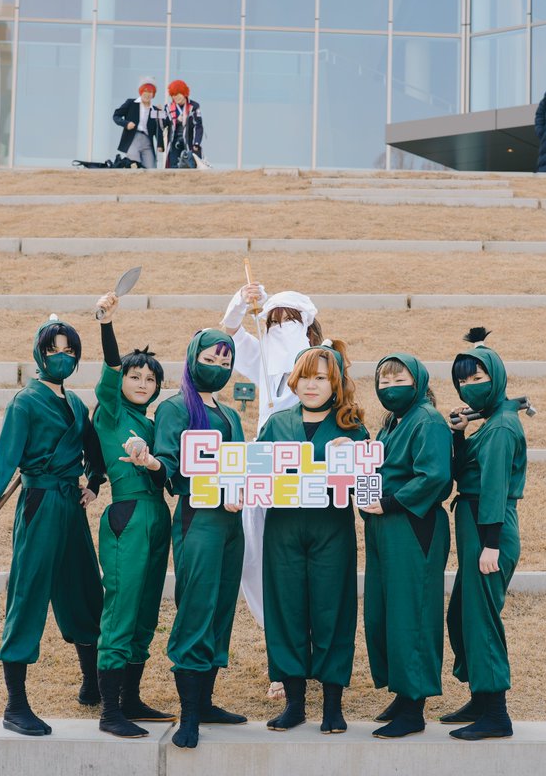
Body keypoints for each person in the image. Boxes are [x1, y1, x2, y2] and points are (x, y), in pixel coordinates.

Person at [0, 315, 105, 737]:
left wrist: (95, 484)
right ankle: (15, 704)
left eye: (69, 352)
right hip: (40, 503)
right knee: (27, 596)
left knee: (84, 588)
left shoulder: (76, 403)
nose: (61, 358)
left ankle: (92, 684)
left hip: (71, 506)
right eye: (53, 351)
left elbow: (92, 447)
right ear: (39, 354)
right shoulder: (24, 402)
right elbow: (6, 456)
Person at [220, 286, 323, 702]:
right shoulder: (260, 355)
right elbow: (227, 333)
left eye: (290, 320)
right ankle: (281, 664)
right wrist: (242, 302)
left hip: (311, 467)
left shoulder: (325, 359)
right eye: (274, 320)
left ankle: (315, 654)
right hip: (265, 465)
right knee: (264, 564)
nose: (281, 328)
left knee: (311, 567)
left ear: (307, 324)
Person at [147, 329, 247, 749]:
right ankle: (188, 715)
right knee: (197, 607)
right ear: (191, 358)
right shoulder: (174, 408)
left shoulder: (231, 414)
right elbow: (172, 466)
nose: (218, 368)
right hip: (199, 519)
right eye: (211, 359)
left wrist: (242, 489)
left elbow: (240, 464)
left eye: (226, 363)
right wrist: (153, 463)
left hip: (232, 524)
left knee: (222, 607)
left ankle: (205, 701)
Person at [259, 342, 366, 735]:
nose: (311, 385)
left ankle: (333, 706)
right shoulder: (277, 423)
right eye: (305, 376)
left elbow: (368, 490)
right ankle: (294, 703)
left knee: (331, 611)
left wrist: (352, 456)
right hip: (284, 529)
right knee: (286, 610)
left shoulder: (352, 427)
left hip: (331, 530)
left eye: (320, 377)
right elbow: (256, 477)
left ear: (335, 382)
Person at [89, 292, 174, 738]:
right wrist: (106, 324)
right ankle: (110, 712)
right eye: (134, 375)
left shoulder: (157, 420)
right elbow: (106, 373)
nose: (141, 382)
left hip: (159, 517)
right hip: (127, 514)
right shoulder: (110, 412)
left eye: (149, 378)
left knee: (144, 613)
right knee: (121, 609)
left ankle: (132, 699)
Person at [443, 328, 527, 741]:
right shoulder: (491, 423)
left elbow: (492, 488)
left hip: (487, 529)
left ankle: (496, 714)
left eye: (478, 379)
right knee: (461, 615)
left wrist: (490, 544)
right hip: (477, 529)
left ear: (497, 377)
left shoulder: (501, 429)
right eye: (463, 381)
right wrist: (459, 433)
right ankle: (480, 695)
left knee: (481, 621)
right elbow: (464, 472)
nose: (469, 387)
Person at [363, 354, 453, 739]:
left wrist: (388, 502)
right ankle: (402, 693)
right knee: (383, 612)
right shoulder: (390, 424)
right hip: (383, 526)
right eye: (382, 380)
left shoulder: (428, 420)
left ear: (417, 380)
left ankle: (414, 707)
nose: (389, 385)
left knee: (412, 613)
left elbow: (434, 475)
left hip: (414, 525)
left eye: (397, 377)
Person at [113, 77, 165, 169]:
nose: (147, 94)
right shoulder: (131, 103)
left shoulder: (155, 110)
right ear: (141, 92)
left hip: (147, 141)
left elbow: (160, 128)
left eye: (150, 92)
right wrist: (126, 123)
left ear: (153, 94)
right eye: (145, 91)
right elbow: (116, 116)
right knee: (134, 165)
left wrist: (160, 144)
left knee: (151, 167)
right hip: (133, 138)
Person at [162, 79, 203, 169]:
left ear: (184, 92)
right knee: (173, 168)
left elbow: (198, 126)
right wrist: (159, 114)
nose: (176, 97)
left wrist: (196, 143)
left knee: (190, 167)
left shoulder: (194, 106)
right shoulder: (168, 107)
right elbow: (162, 124)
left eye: (178, 94)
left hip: (189, 142)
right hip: (174, 143)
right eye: (173, 95)